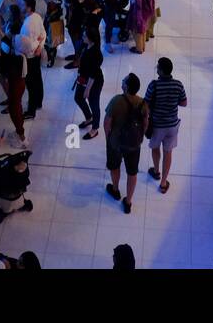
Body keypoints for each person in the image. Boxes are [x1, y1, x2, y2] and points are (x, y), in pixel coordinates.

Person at [104, 73, 150, 214]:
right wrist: (140, 137)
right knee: (132, 172)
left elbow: (107, 123)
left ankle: (115, 189)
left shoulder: (116, 101)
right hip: (134, 145)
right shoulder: (142, 103)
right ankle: (128, 201)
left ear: (126, 86)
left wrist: (108, 138)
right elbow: (145, 123)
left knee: (115, 166)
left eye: (124, 80)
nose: (122, 81)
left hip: (116, 143)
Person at [144, 57, 188, 194]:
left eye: (158, 67)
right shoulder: (178, 85)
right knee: (168, 152)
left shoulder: (154, 85)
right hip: (172, 125)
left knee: (155, 147)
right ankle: (163, 182)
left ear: (161, 71)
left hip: (157, 125)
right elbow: (184, 103)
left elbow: (145, 105)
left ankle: (156, 171)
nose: (156, 68)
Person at [73, 23, 104, 140]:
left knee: (94, 103)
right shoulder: (87, 46)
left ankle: (95, 128)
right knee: (78, 98)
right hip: (83, 78)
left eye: (85, 36)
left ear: (91, 39)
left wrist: (87, 90)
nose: (83, 37)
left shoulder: (96, 53)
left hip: (93, 82)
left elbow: (93, 75)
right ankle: (89, 118)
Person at [20, 0, 47, 118]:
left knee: (31, 85)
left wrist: (36, 46)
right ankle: (38, 103)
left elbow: (28, 46)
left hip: (30, 58)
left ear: (29, 8)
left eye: (23, 5)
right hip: (36, 55)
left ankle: (31, 111)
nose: (21, 6)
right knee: (38, 80)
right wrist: (40, 46)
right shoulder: (37, 17)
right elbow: (43, 34)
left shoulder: (27, 26)